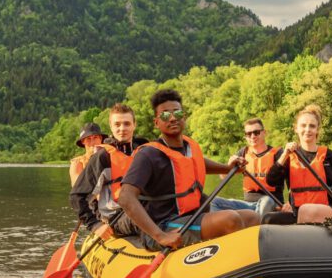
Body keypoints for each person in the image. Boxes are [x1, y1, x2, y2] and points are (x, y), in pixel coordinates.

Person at [118, 89, 261, 251]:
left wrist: (228, 169)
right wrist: (160, 235)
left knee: (253, 217)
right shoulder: (148, 154)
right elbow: (125, 197)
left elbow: (199, 163)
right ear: (156, 122)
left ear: (184, 117)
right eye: (165, 115)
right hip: (164, 225)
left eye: (177, 113)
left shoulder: (189, 147)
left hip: (192, 216)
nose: (172, 118)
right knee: (230, 219)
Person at [69, 103, 148, 238]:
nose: (122, 128)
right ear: (111, 126)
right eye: (117, 124)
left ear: (134, 125)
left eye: (127, 124)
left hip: (144, 207)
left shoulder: (144, 149)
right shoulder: (101, 157)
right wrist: (95, 225)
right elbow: (78, 196)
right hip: (116, 217)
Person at [264, 105, 332, 224]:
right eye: (303, 125)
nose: (307, 129)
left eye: (312, 126)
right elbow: (271, 180)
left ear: (317, 130)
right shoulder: (289, 157)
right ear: (296, 128)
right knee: (269, 219)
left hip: (325, 213)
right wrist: (285, 154)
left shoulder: (329, 156)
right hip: (298, 213)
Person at [208, 117, 280, 218]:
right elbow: (222, 177)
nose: (252, 136)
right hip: (248, 205)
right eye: (248, 134)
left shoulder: (278, 154)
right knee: (212, 201)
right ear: (245, 137)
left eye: (256, 132)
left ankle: (256, 227)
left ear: (264, 133)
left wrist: (289, 204)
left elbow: (290, 180)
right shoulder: (243, 153)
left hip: (271, 202)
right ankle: (247, 221)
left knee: (266, 201)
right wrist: (229, 166)